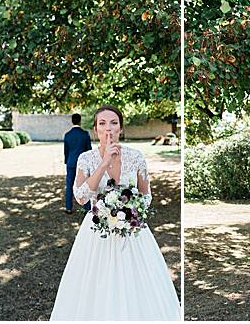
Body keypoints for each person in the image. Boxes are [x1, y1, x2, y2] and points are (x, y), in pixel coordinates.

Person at [51, 106, 181, 320]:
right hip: (96, 233)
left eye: (113, 122)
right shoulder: (86, 159)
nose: (108, 128)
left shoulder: (137, 157)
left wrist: (132, 211)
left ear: (120, 128)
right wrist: (103, 165)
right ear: (95, 129)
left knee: (135, 286)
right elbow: (81, 197)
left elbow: (146, 195)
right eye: (102, 123)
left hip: (132, 232)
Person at [63, 113, 92, 214]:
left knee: (69, 185)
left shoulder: (67, 135)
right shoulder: (85, 134)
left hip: (71, 163)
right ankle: (87, 208)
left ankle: (68, 207)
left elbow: (66, 151)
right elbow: (89, 151)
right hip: (83, 164)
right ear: (80, 121)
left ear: (72, 121)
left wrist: (67, 161)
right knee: (85, 185)